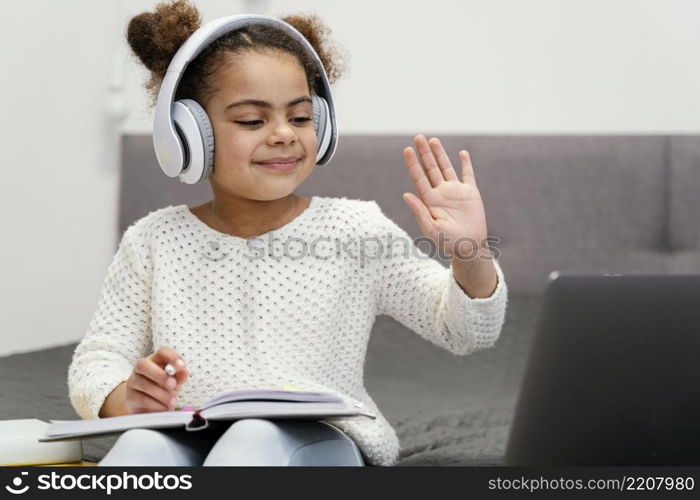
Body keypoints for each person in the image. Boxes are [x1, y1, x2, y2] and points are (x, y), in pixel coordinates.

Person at [68, 0, 508, 467]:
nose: (283, 134)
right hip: (189, 432)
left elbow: (462, 331)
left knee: (252, 440)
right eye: (252, 121)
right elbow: (98, 359)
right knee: (141, 448)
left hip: (317, 439)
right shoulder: (152, 240)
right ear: (189, 133)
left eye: (299, 117)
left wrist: (470, 249)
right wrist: (126, 397)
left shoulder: (354, 230)